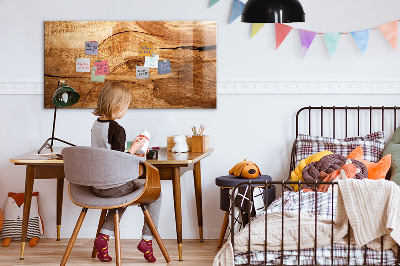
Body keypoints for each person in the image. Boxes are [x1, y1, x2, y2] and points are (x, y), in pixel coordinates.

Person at [91, 81, 161, 263]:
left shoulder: (96, 125)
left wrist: (130, 149)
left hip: (97, 186)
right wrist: (135, 149)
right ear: (118, 106)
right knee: (156, 194)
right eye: (127, 106)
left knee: (121, 198)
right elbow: (118, 161)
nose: (126, 110)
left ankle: (103, 238)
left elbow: (108, 154)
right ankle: (147, 240)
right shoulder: (117, 129)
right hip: (114, 186)